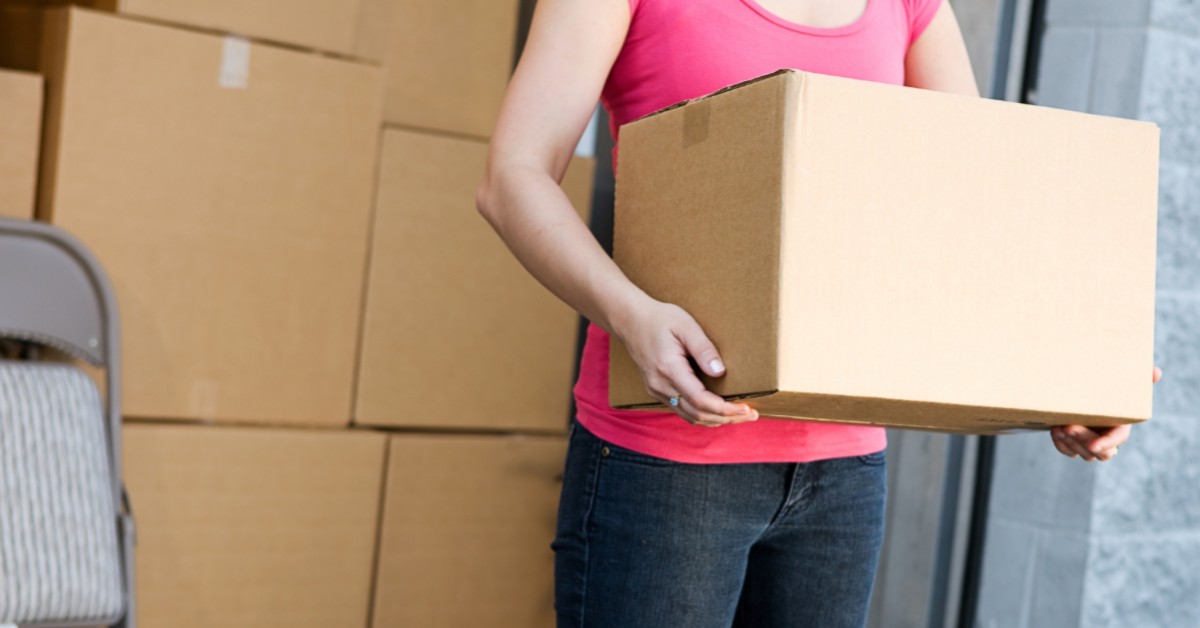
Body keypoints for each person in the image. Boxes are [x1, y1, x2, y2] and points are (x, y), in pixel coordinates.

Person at [477, 1, 1161, 625]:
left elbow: (966, 203)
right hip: (667, 464)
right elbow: (513, 174)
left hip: (843, 473)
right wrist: (632, 316)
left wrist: (1070, 373)